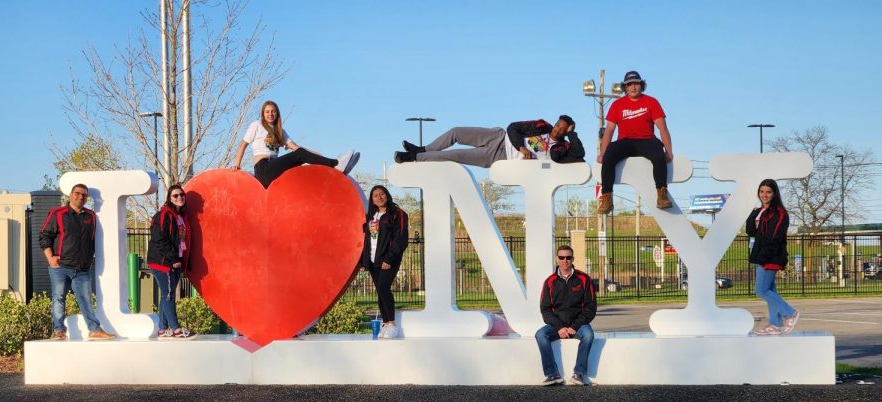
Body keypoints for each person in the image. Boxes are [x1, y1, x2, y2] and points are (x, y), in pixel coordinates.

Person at [39, 184, 115, 341]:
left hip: (82, 268)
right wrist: (50, 257)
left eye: (84, 195)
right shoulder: (58, 214)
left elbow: (93, 240)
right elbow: (45, 235)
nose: (81, 197)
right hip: (60, 266)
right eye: (77, 193)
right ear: (70, 195)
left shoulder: (90, 216)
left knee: (85, 299)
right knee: (58, 298)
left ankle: (94, 330)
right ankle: (59, 331)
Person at [233, 100, 360, 188]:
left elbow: (298, 148)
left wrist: (319, 157)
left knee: (300, 160)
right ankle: (335, 164)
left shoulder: (280, 131)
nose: (270, 114)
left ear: (277, 114)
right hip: (263, 169)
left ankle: (332, 171)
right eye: (267, 111)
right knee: (298, 155)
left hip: (274, 170)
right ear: (263, 114)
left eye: (273, 111)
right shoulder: (257, 125)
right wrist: (237, 165)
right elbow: (243, 144)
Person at [596, 70, 674, 214]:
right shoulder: (617, 105)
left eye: (636, 84)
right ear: (625, 87)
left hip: (647, 140)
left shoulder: (651, 102)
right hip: (625, 142)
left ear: (641, 85)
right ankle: (607, 198)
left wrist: (669, 152)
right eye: (629, 84)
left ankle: (662, 195)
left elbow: (663, 128)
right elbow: (609, 131)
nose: (633, 87)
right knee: (609, 155)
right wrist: (602, 153)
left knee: (659, 155)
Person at [394, 115, 585, 168]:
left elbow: (579, 155)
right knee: (456, 132)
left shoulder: (561, 148)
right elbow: (513, 127)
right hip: (499, 137)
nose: (557, 129)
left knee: (452, 156)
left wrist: (572, 134)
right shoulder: (542, 125)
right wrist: (521, 147)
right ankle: (423, 148)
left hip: (498, 156)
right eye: (558, 125)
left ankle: (413, 157)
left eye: (562, 129)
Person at [535, 245, 597, 386]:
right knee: (540, 335)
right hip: (557, 326)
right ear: (557, 259)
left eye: (568, 257)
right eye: (562, 257)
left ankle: (579, 374)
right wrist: (559, 328)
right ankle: (552, 375)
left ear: (573, 259)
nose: (565, 260)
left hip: (579, 326)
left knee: (588, 335)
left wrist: (575, 326)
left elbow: (591, 307)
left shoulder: (584, 279)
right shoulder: (549, 281)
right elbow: (545, 309)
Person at [746, 179, 799, 336]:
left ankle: (790, 313)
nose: (764, 195)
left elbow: (774, 238)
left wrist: (763, 256)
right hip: (761, 255)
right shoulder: (761, 211)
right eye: (762, 191)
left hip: (771, 256)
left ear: (774, 193)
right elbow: (751, 232)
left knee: (761, 290)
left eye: (768, 192)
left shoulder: (779, 213)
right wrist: (753, 213)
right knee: (770, 290)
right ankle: (775, 325)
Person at [147, 184, 195, 339]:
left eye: (181, 195)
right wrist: (173, 258)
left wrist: (183, 260)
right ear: (169, 198)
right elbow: (160, 238)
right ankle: (176, 329)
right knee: (169, 295)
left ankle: (162, 329)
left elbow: (181, 240)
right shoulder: (164, 215)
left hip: (175, 261)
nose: (179, 197)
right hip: (163, 262)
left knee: (166, 295)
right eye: (175, 195)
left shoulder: (181, 216)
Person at [361, 185, 409, 339]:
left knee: (383, 287)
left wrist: (389, 258)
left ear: (387, 195)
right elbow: (367, 240)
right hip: (373, 259)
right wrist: (365, 262)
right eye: (375, 195)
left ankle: (392, 324)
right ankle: (386, 322)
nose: (379, 197)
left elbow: (400, 239)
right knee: (380, 291)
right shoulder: (371, 216)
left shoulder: (398, 214)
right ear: (372, 200)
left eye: (382, 194)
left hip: (388, 259)